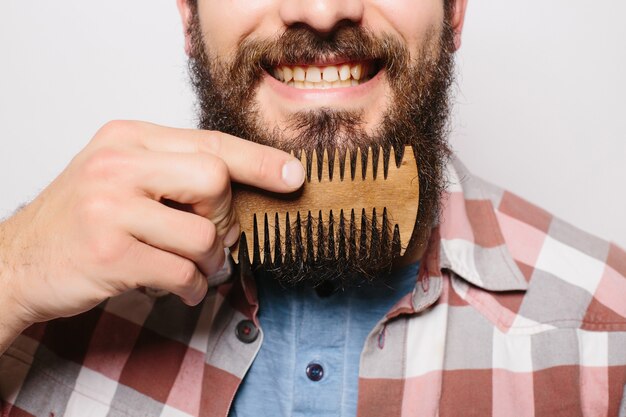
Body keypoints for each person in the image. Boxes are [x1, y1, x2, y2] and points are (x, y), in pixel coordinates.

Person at [1, 0, 625, 416]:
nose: (323, 10)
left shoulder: (610, 338)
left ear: (454, 8)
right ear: (188, 15)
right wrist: (12, 271)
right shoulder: (33, 301)